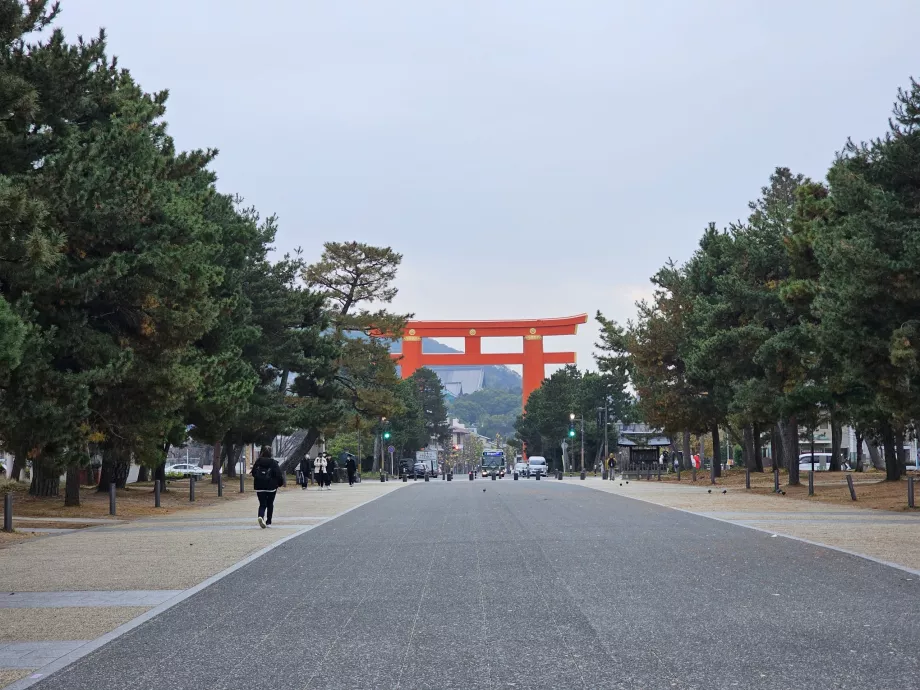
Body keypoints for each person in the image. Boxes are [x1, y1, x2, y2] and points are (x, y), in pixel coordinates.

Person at [251, 446, 284, 529]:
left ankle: (260, 516)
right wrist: (279, 483)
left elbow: (254, 473)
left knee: (262, 504)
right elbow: (278, 474)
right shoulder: (273, 462)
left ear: (262, 452)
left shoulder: (258, 461)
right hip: (271, 486)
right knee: (270, 504)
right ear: (271, 453)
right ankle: (268, 521)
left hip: (259, 486)